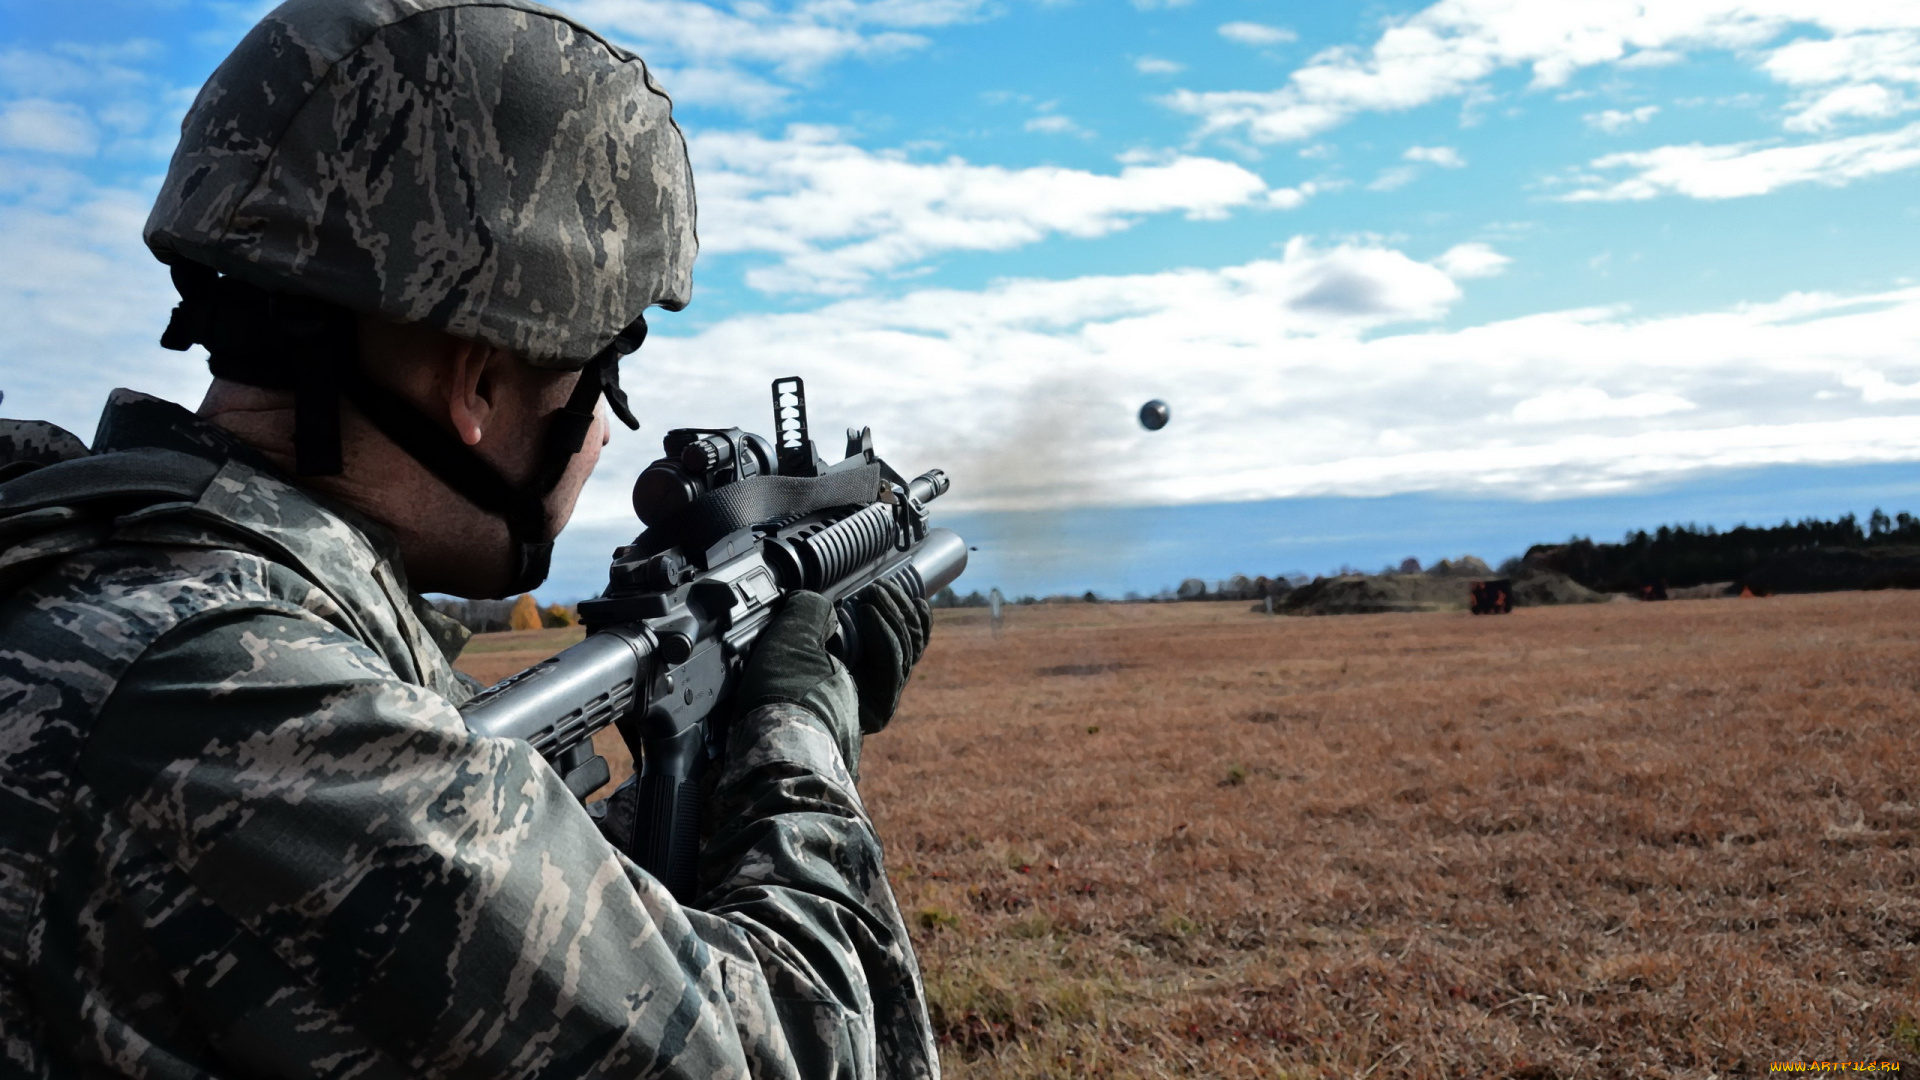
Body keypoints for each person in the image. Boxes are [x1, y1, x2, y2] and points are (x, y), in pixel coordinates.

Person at [0, 2, 939, 1077]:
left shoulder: (92, 573)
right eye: (601, 382)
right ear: (479, 382)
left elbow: (489, 937)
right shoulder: (237, 698)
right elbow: (783, 1053)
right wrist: (798, 738)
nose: (596, 433)